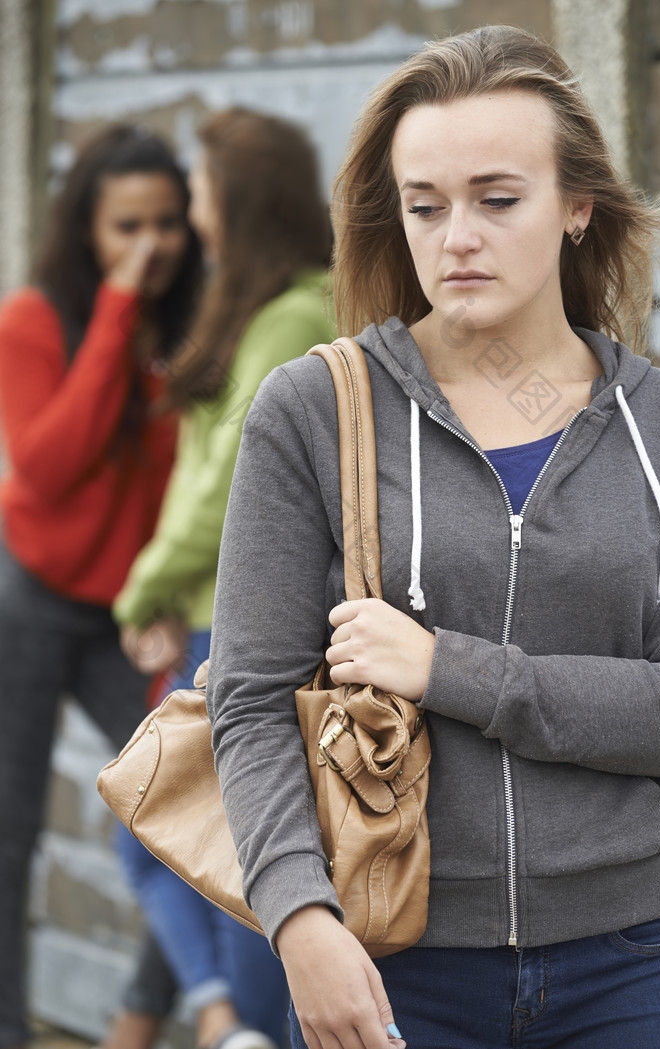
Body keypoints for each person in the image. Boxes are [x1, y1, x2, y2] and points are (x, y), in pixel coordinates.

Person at [205, 24, 660, 1049]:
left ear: (576, 206)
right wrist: (300, 918)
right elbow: (249, 699)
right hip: (391, 961)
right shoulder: (312, 410)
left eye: (496, 199)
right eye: (424, 206)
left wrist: (449, 668)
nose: (455, 237)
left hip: (640, 965)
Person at [112, 107, 336, 1049]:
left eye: (200, 189)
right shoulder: (261, 303)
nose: (192, 207)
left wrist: (141, 590)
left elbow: (226, 493)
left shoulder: (295, 316)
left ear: (237, 199)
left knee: (233, 851)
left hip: (243, 629)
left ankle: (239, 1021)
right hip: (206, 616)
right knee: (167, 830)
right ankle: (223, 1015)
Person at [0, 125, 202, 1049]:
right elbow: (47, 467)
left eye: (167, 225)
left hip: (131, 616)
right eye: (128, 227)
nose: (150, 246)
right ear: (88, 229)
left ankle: (144, 1018)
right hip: (32, 597)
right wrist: (117, 309)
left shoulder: (198, 322)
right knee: (9, 835)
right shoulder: (36, 321)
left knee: (197, 807)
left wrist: (161, 595)